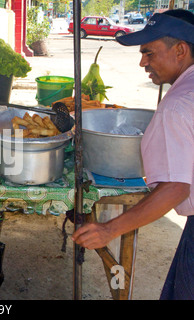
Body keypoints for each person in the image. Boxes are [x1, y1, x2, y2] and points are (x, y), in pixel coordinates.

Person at [72, 9, 194, 300]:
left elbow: (176, 187)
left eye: (149, 53)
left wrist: (108, 229)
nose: (143, 63)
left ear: (180, 50)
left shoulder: (177, 104)